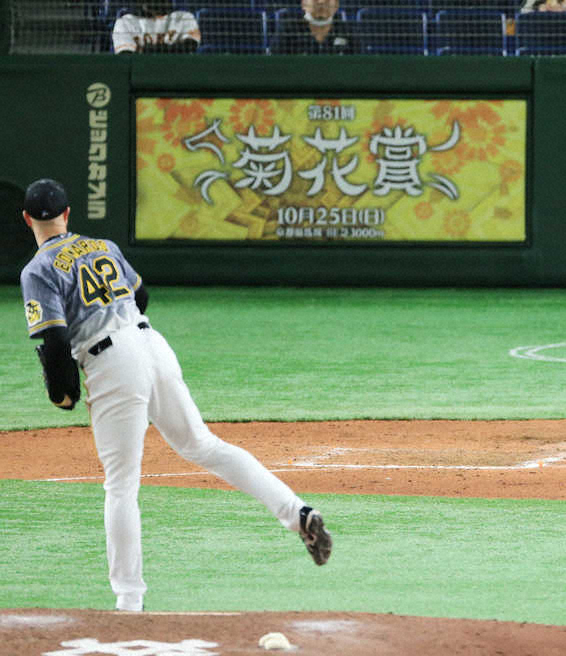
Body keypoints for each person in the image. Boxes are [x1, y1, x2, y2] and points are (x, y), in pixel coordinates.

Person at [18, 179, 332, 612]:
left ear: (27, 219)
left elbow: (54, 339)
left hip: (113, 361)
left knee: (121, 485)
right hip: (152, 344)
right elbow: (141, 295)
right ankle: (297, 513)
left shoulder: (37, 270)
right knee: (203, 444)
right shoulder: (104, 246)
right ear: (68, 214)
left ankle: (129, 601)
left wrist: (61, 393)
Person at [112, 1, 201, 54]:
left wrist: (149, 50)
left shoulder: (184, 17)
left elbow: (190, 46)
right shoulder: (125, 21)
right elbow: (125, 55)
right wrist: (168, 49)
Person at [271, 0, 354, 55]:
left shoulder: (348, 31)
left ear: (336, 5)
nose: (321, 1)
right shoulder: (288, 29)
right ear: (304, 3)